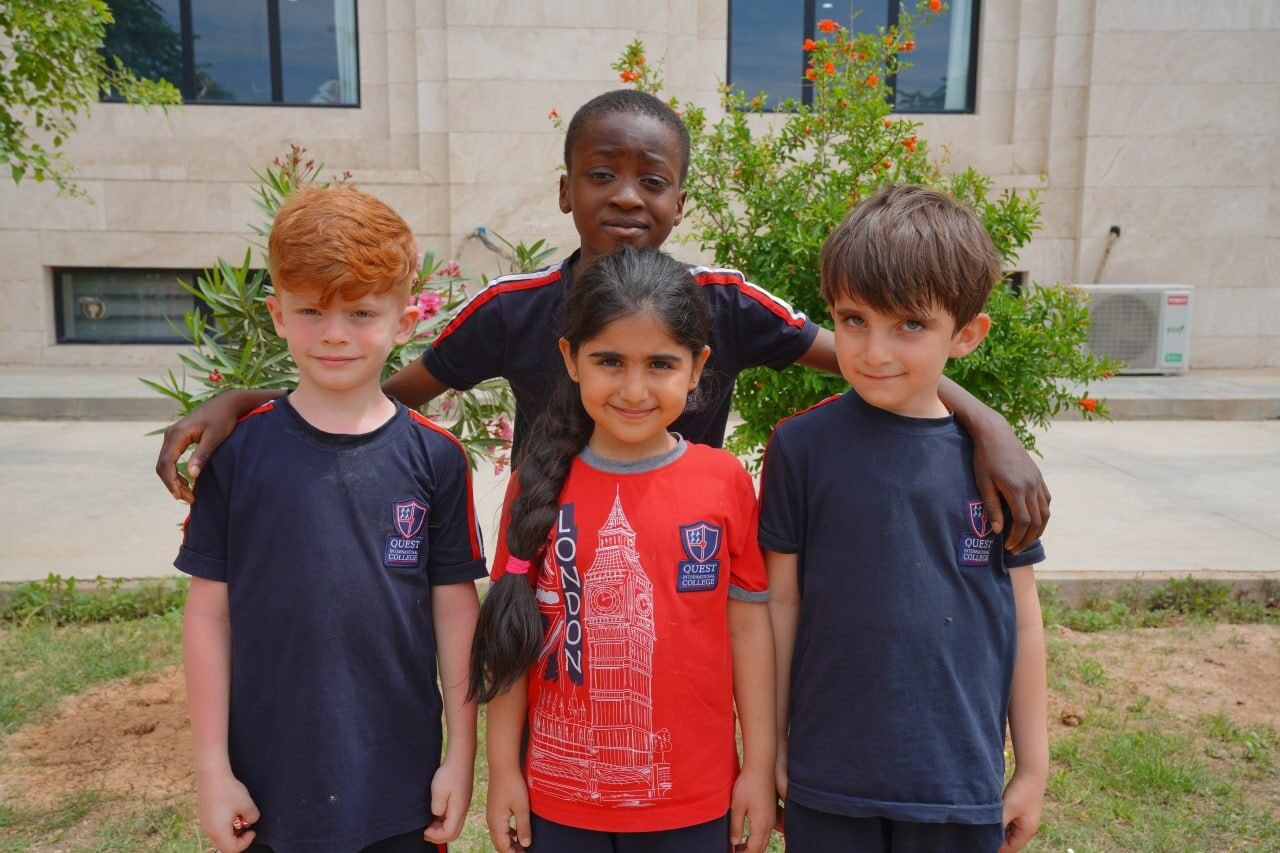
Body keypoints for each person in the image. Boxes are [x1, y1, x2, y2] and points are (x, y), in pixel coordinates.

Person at [154, 90, 1049, 552]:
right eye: (600, 175)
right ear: (564, 191)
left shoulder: (726, 303)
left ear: (680, 202)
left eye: (651, 180)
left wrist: (989, 423)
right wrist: (250, 402)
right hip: (545, 562)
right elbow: (380, 395)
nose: (625, 196)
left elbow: (871, 359)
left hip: (687, 560)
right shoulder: (511, 309)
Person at [176, 186, 484, 852]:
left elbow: (456, 612)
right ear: (277, 314)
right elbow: (207, 616)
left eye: (361, 312)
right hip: (267, 786)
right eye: (311, 310)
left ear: (406, 320)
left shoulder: (437, 457)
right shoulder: (237, 454)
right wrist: (212, 768)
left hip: (400, 785)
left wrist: (461, 755)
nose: (335, 333)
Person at [761, 186, 1049, 853]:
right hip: (828, 776)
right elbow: (781, 604)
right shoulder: (800, 448)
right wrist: (770, 745)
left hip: (958, 781)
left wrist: (1033, 768)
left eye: (910, 325)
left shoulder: (998, 466)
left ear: (967, 334)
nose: (874, 351)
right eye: (853, 319)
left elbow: (1024, 620)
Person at [470, 246, 776, 853]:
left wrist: (759, 768)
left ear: (697, 367)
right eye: (610, 361)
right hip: (560, 799)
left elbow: (748, 633)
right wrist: (503, 769)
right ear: (571, 359)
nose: (634, 390)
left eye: (660, 364)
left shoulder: (723, 481)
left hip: (693, 796)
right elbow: (512, 637)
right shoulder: (538, 484)